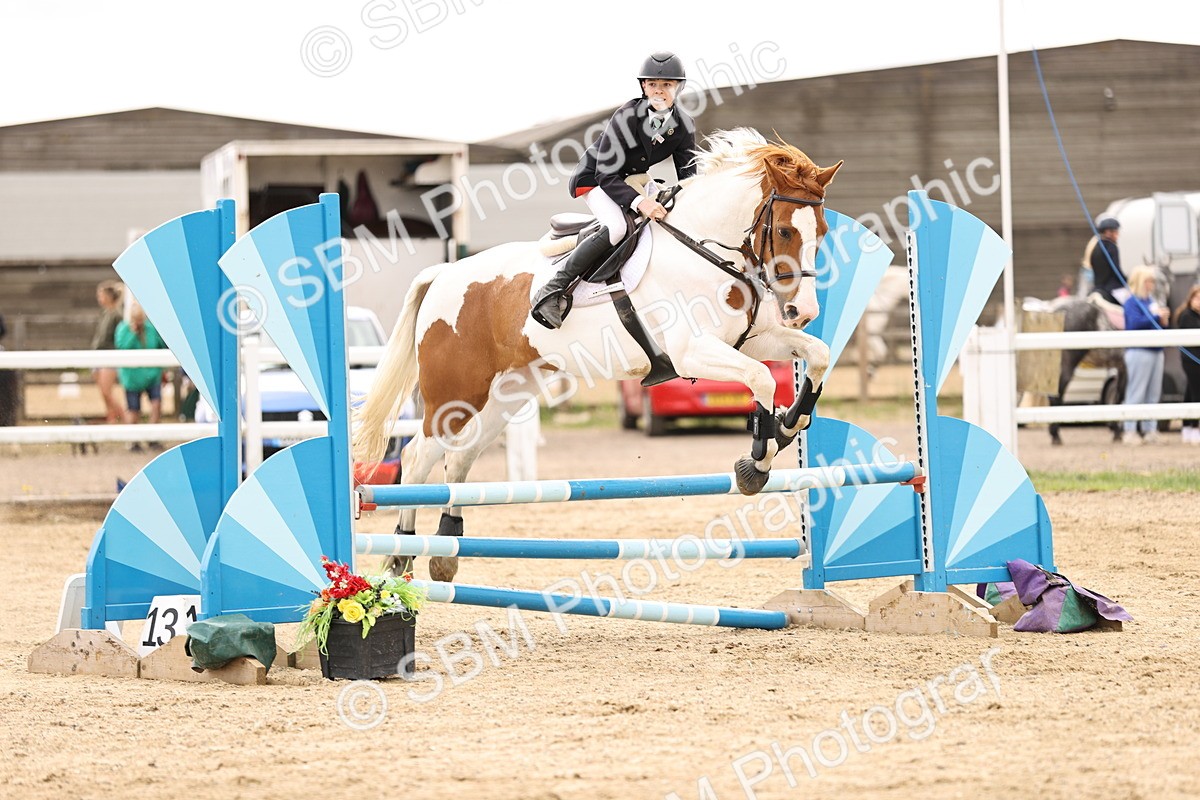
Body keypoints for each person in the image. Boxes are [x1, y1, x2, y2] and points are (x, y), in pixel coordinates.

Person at [530, 51, 697, 329]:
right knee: (618, 227)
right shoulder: (627, 116)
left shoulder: (683, 125)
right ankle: (552, 289)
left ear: (678, 87)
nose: (659, 90)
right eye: (654, 85)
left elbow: (689, 176)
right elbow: (605, 172)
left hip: (635, 179)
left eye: (667, 85)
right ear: (644, 86)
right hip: (596, 179)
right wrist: (640, 203)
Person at [1121, 267, 1169, 446]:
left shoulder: (1151, 301)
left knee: (1153, 393)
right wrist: (1156, 316)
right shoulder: (1131, 302)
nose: (1151, 285)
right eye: (1149, 281)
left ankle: (1150, 429)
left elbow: (1153, 323)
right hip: (1139, 351)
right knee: (1136, 391)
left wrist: (1162, 321)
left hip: (1156, 351)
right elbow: (1134, 323)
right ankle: (1130, 430)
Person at [115, 301, 166, 451]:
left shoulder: (151, 329)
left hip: (152, 375)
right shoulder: (123, 329)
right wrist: (132, 333)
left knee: (156, 405)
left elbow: (161, 345)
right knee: (133, 410)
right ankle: (133, 441)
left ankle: (153, 438)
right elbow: (122, 348)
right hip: (132, 378)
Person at [90, 280, 125, 423]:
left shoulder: (117, 315)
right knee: (103, 392)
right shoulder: (105, 313)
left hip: (110, 356)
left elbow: (118, 338)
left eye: (102, 295)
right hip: (99, 355)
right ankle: (111, 418)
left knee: (106, 391)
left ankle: (125, 418)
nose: (99, 298)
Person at [1174, 284, 1200, 445]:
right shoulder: (1186, 316)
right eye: (1197, 298)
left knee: (1190, 392)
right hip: (1191, 360)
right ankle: (1195, 428)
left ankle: (1188, 428)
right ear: (1190, 299)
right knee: (1197, 393)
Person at [1086, 217, 1129, 306]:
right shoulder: (1112, 247)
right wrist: (1127, 281)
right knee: (1131, 305)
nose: (1118, 235)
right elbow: (1116, 270)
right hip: (1112, 289)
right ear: (1108, 232)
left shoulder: (1095, 247)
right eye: (1116, 232)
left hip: (1097, 288)